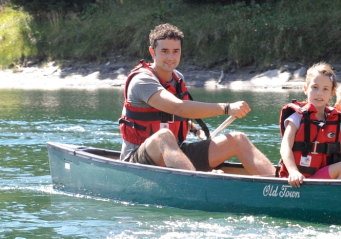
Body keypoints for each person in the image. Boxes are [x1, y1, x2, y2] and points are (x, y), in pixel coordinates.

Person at [119, 23, 277, 176]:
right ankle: (197, 183)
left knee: (238, 139)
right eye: (165, 51)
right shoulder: (142, 80)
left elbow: (171, 116)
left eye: (176, 51)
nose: (170, 57)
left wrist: (197, 130)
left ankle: (278, 186)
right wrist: (226, 108)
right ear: (152, 52)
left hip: (173, 157)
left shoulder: (177, 78)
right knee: (164, 136)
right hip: (137, 162)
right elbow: (178, 108)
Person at [278, 63, 341, 187]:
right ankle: (335, 202)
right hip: (299, 180)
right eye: (315, 87)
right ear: (305, 89)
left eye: (325, 89)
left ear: (332, 93)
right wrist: (293, 171)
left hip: (321, 178)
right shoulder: (297, 117)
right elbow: (285, 148)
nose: (319, 93)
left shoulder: (335, 121)